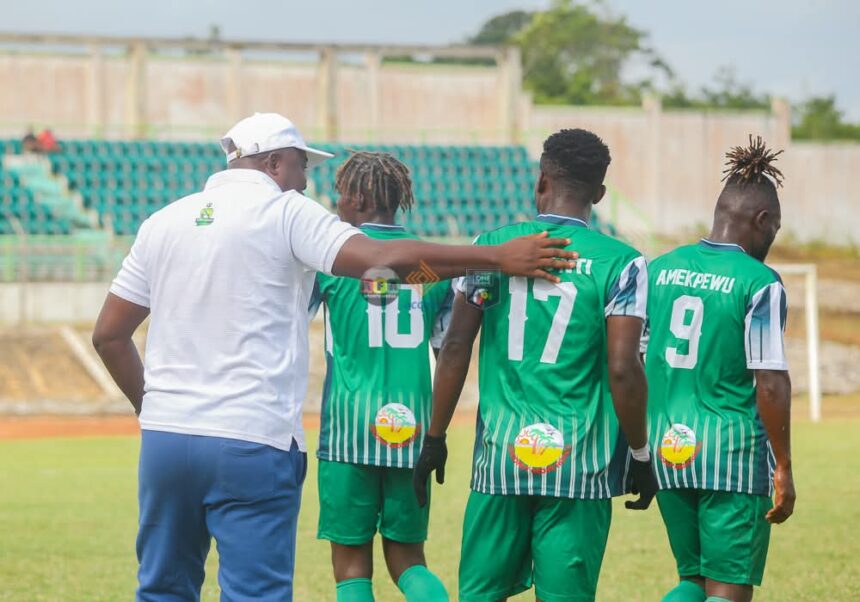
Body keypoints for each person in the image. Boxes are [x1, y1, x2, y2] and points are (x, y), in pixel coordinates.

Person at [91, 112, 576, 601]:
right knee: (287, 585)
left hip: (188, 436)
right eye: (303, 168)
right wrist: (495, 257)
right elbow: (390, 269)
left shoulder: (161, 222)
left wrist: (151, 407)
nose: (307, 184)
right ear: (276, 162)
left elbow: (110, 336)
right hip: (265, 434)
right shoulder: (288, 214)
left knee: (164, 588)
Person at [413, 128, 659, 602]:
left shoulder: (493, 247)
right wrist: (640, 454)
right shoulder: (624, 263)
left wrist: (435, 436)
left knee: (480, 595)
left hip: (499, 458)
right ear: (600, 194)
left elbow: (457, 345)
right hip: (580, 467)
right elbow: (624, 368)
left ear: (541, 181)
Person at [643, 136, 795, 602]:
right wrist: (784, 465)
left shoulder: (659, 269)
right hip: (732, 454)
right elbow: (769, 380)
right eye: (775, 230)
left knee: (693, 582)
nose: (772, 240)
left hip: (668, 449)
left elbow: (631, 359)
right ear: (762, 221)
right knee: (727, 590)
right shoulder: (759, 282)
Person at [311, 151, 451, 602]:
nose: (336, 204)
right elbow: (446, 347)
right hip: (412, 429)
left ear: (358, 196)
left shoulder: (332, 261)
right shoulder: (427, 268)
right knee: (409, 561)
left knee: (351, 566)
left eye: (339, 195)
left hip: (348, 428)